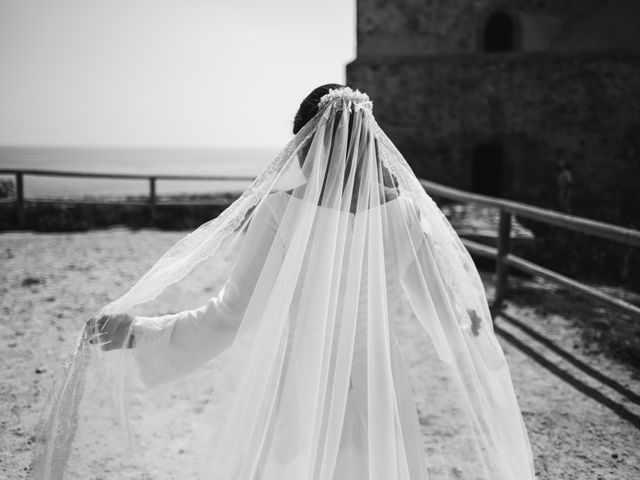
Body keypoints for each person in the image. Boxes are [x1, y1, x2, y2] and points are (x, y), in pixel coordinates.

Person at [32, 85, 535, 480]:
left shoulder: (281, 209)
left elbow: (232, 316)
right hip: (380, 392)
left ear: (305, 140)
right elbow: (444, 317)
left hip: (300, 389)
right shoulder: (406, 215)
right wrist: (471, 330)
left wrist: (140, 331)